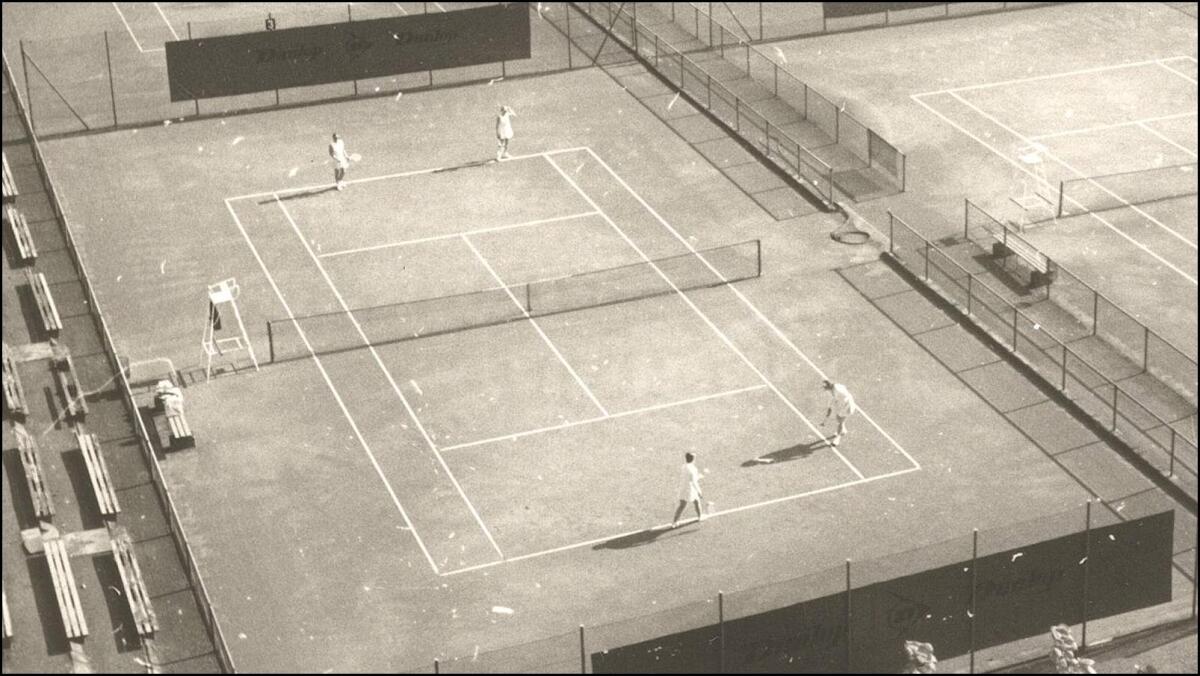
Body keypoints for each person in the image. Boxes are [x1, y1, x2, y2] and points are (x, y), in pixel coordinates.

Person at [670, 452, 704, 528]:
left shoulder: (684, 466)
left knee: (682, 506)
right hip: (690, 489)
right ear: (693, 459)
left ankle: (674, 522)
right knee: (697, 502)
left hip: (683, 488)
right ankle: (700, 516)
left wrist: (697, 477)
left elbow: (688, 477)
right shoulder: (693, 469)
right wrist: (699, 491)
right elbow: (694, 481)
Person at [822, 379, 856, 448]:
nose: (825, 389)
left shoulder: (838, 392)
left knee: (840, 421)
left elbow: (837, 401)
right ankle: (843, 430)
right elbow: (831, 404)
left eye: (826, 387)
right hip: (844, 406)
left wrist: (831, 409)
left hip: (847, 407)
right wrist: (829, 410)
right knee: (839, 419)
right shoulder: (835, 388)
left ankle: (837, 439)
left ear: (829, 387)